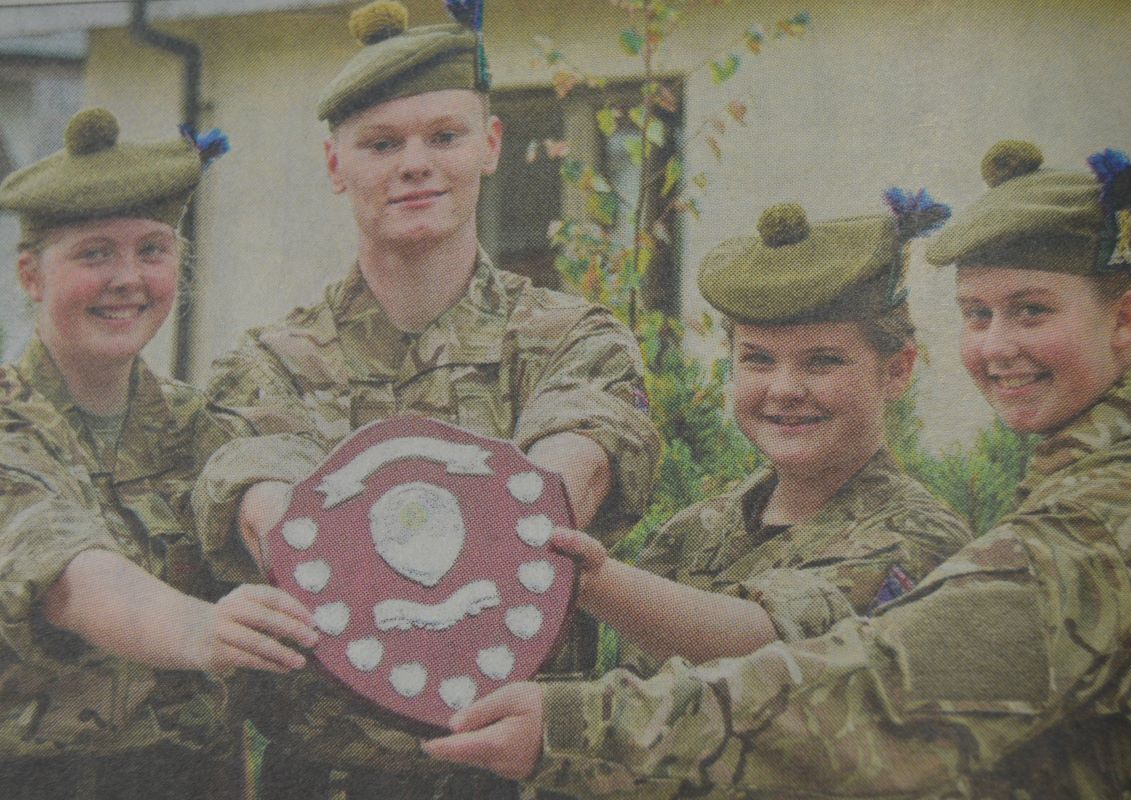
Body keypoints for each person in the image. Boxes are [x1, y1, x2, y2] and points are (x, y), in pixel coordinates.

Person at [423, 140, 1131, 798]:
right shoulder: (704, 532)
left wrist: (578, 668)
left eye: (1032, 311)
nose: (998, 346)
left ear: (1123, 317)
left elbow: (869, 688)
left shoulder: (1115, 514)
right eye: (978, 314)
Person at [188, 2, 659, 798]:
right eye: (381, 144)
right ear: (335, 165)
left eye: (443, 136)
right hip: (324, 778)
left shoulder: (575, 341)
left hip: (518, 776)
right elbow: (273, 523)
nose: (414, 164)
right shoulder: (268, 366)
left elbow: (563, 492)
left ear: (491, 145)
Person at [0, 108, 318, 800]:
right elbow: (68, 577)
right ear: (31, 275)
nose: (128, 279)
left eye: (152, 250)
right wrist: (203, 630)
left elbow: (273, 489)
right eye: (94, 253)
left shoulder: (197, 425)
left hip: (195, 780)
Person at [546, 190, 972, 673]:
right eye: (758, 359)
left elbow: (769, 652)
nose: (785, 388)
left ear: (896, 371)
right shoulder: (693, 533)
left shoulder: (921, 538)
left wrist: (593, 580)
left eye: (823, 361)